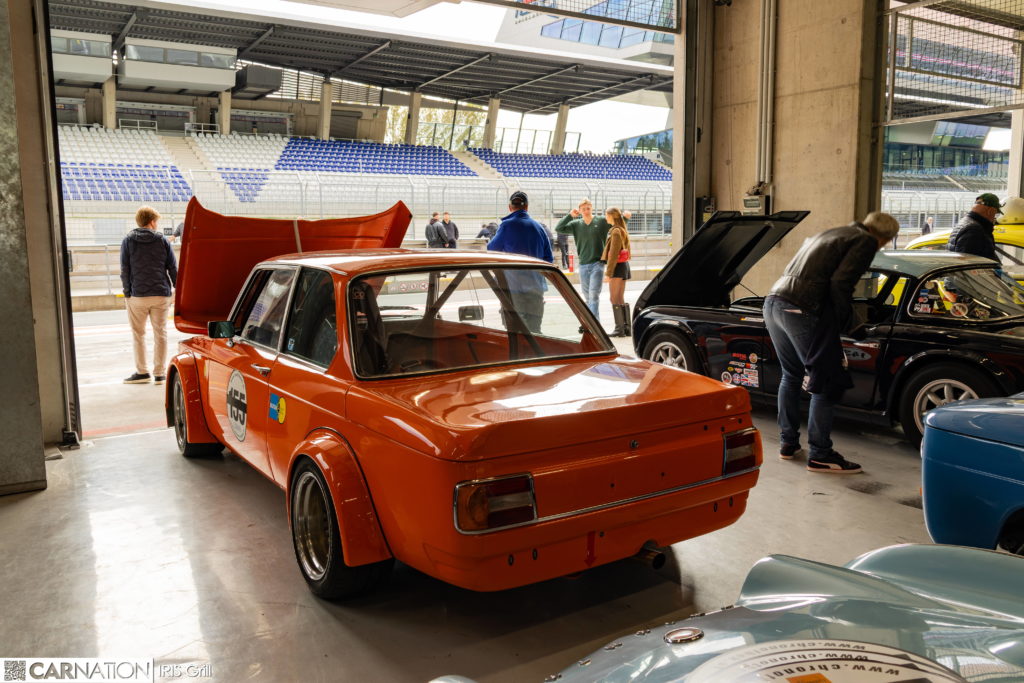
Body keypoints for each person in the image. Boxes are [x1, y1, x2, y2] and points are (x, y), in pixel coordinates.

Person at [763, 212, 900, 474]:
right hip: (801, 308)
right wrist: (851, 324)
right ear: (884, 238)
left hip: (774, 302)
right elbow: (841, 284)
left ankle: (788, 443)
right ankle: (820, 454)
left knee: (791, 375)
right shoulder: (865, 241)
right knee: (826, 379)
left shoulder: (833, 232)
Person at [120, 206, 178, 385]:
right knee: (160, 333)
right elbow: (172, 268)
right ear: (152, 222)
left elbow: (125, 269)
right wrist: (178, 289)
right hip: (161, 294)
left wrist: (128, 293)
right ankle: (160, 374)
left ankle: (142, 372)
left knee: (138, 334)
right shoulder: (162, 240)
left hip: (137, 295)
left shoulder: (128, 240)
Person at [487, 191, 554, 332]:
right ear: (527, 207)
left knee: (515, 331)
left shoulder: (506, 225)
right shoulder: (539, 228)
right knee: (535, 331)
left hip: (512, 288)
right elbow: (549, 259)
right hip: (536, 288)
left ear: (510, 207)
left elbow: (491, 249)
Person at [556, 198, 630, 321]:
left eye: (588, 208)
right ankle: (593, 324)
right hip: (583, 265)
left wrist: (626, 218)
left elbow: (617, 223)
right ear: (579, 210)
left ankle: (593, 324)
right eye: (583, 209)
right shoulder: (576, 224)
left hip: (598, 263)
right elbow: (559, 228)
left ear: (592, 208)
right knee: (587, 297)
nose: (586, 211)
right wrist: (570, 216)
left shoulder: (601, 221)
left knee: (594, 295)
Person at [601, 208, 631, 336]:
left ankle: (619, 329)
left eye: (606, 215)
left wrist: (608, 273)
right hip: (623, 266)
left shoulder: (616, 231)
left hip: (617, 267)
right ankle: (626, 328)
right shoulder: (621, 229)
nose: (605, 217)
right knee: (619, 297)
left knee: (613, 298)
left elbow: (613, 254)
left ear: (611, 216)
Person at [947, 193, 1001, 261]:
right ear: (990, 211)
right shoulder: (974, 231)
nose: (995, 218)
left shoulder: (966, 223)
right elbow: (969, 263)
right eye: (995, 214)